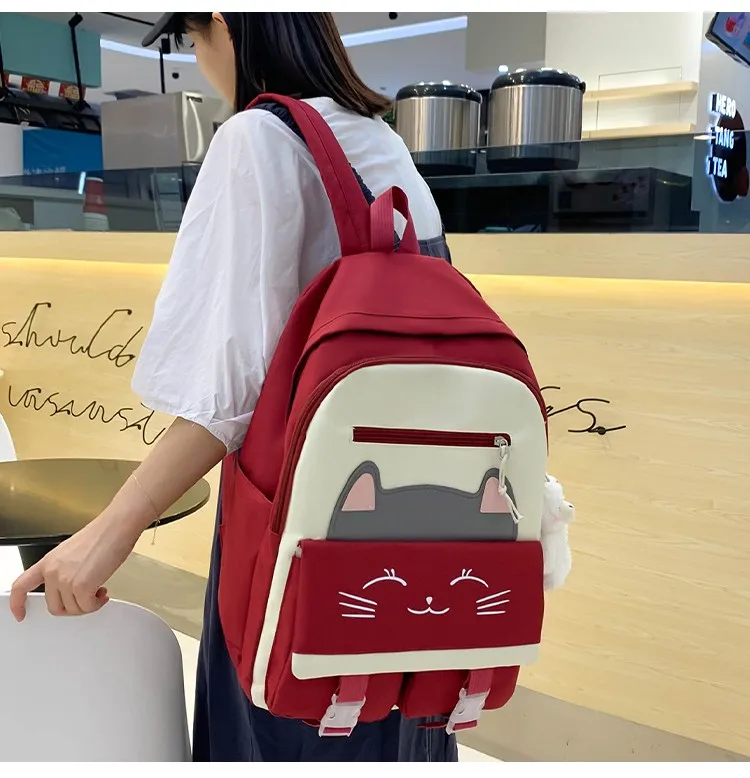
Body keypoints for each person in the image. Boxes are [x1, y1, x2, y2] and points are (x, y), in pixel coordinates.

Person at [9, 12, 455, 762]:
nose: (199, 60)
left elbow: (228, 400)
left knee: (291, 724)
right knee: (390, 726)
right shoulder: (382, 141)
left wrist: (109, 533)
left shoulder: (258, 138)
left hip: (299, 535)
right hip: (420, 521)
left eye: (192, 40)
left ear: (220, 20)